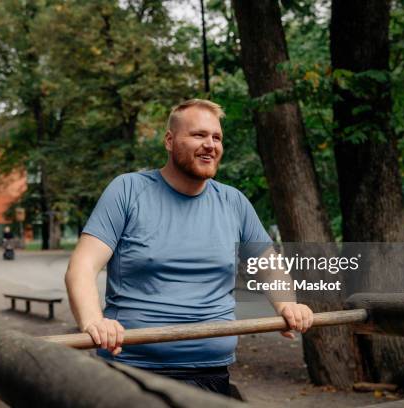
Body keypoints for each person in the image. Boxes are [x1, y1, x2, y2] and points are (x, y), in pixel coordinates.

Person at [65, 99, 314, 396]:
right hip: (132, 372)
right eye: (198, 135)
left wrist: (286, 304)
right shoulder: (128, 190)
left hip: (210, 374)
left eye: (216, 137)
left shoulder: (233, 201)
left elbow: (270, 269)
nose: (210, 144)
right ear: (169, 141)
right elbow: (82, 267)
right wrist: (94, 321)